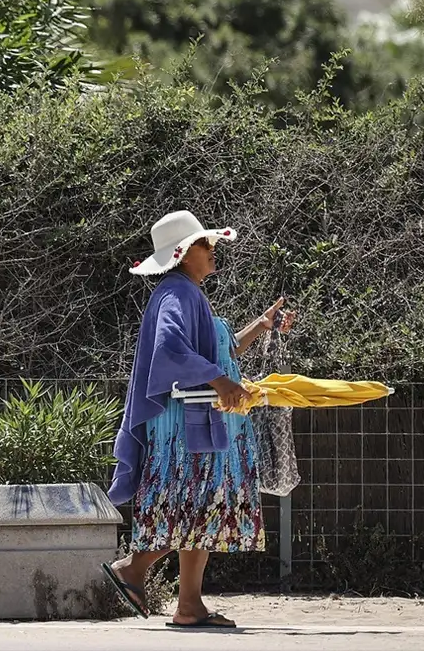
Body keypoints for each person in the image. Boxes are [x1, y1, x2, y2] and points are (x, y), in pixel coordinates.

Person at [101, 210, 295, 629]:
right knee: (198, 503)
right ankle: (134, 570)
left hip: (198, 421)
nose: (213, 254)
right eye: (207, 246)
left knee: (201, 506)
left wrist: (261, 326)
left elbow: (220, 351)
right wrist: (221, 380)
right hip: (186, 427)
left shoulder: (187, 294)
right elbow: (171, 349)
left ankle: (187, 603)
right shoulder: (177, 294)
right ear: (186, 252)